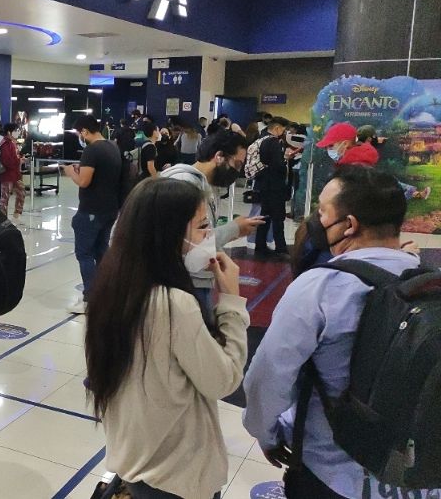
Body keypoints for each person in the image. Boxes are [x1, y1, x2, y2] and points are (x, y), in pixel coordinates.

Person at [242, 166, 424, 499]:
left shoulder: (319, 286)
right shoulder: (428, 281)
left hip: (331, 474)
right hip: (414, 475)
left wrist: (266, 435)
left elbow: (267, 379)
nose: (315, 222)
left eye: (322, 212)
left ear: (349, 225)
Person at [86, 177, 248, 499]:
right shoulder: (174, 305)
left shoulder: (114, 289)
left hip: (137, 464)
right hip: (174, 477)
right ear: (168, 236)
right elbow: (224, 380)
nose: (210, 237)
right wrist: (231, 301)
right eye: (203, 227)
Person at [161, 130, 265, 309]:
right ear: (219, 156)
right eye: (237, 164)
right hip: (184, 280)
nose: (237, 172)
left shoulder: (208, 186)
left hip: (196, 276)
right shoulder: (185, 185)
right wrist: (234, 228)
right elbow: (184, 241)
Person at [64, 115, 123, 315]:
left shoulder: (92, 150)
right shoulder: (112, 147)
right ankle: (107, 293)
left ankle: (90, 299)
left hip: (91, 210)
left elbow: (84, 182)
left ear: (84, 131)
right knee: (101, 251)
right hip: (110, 209)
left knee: (85, 253)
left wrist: (71, 172)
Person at [254, 117, 292, 257]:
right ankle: (280, 247)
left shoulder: (262, 139)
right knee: (277, 217)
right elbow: (278, 165)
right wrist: (286, 160)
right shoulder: (274, 142)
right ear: (277, 128)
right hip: (275, 186)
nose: (283, 132)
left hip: (264, 183)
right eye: (282, 129)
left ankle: (260, 244)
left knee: (265, 215)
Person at [0, 123, 25, 222]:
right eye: (16, 130)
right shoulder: (5, 144)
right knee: (5, 197)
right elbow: (7, 161)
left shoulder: (12, 142)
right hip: (7, 174)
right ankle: (2, 218)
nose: (18, 132)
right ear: (9, 132)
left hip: (14, 174)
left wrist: (19, 160)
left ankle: (17, 213)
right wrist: (19, 161)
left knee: (21, 192)